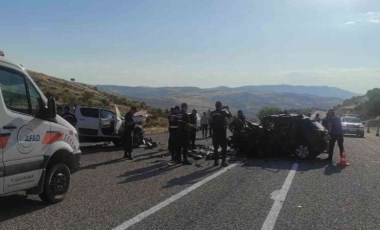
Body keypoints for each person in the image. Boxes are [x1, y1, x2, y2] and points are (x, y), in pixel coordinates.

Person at [210, 101, 232, 167]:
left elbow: (210, 121)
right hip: (222, 133)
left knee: (215, 148)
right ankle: (223, 162)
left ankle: (216, 162)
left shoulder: (212, 113)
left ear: (215, 106)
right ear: (220, 106)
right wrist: (228, 109)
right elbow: (230, 116)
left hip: (215, 133)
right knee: (224, 148)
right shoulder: (223, 112)